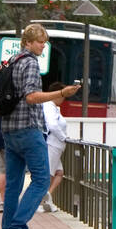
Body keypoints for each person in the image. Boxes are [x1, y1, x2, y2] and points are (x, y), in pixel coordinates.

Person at [0, 24, 79, 229]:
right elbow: (32, 97)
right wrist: (62, 93)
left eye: (44, 42)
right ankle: (17, 228)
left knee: (14, 182)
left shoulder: (13, 61)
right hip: (28, 128)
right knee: (42, 178)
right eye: (39, 42)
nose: (43, 46)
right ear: (28, 42)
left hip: (9, 128)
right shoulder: (31, 63)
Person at [41, 82, 69, 212]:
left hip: (56, 146)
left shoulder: (54, 107)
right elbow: (52, 125)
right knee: (48, 174)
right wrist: (64, 137)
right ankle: (39, 203)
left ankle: (47, 197)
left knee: (58, 173)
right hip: (52, 144)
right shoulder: (49, 106)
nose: (64, 99)